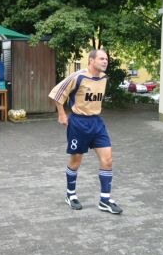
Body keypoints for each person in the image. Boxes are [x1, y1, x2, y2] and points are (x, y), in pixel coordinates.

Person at [48, 49, 123, 214]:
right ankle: (71, 195)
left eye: (107, 59)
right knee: (76, 161)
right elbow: (56, 93)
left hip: (97, 122)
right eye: (102, 58)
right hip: (78, 123)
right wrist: (61, 114)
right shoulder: (78, 77)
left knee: (108, 160)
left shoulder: (104, 78)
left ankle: (105, 200)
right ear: (91, 60)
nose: (105, 61)